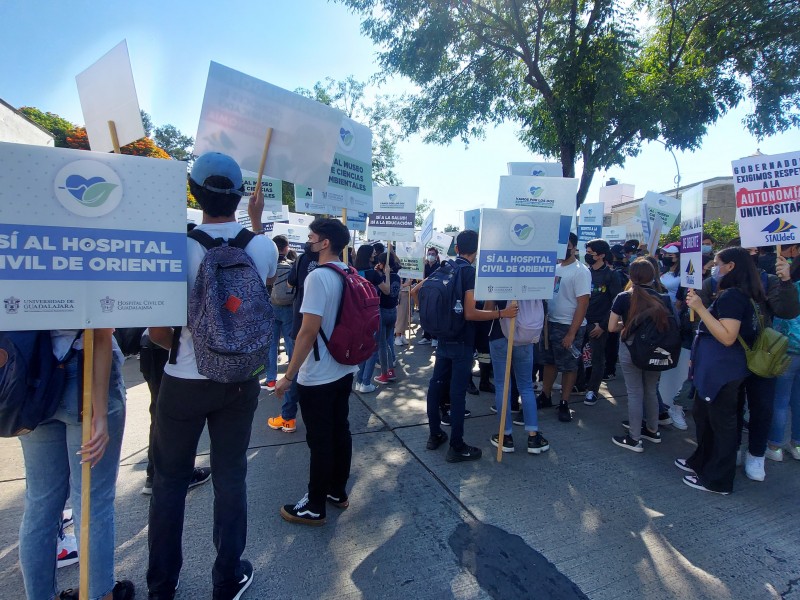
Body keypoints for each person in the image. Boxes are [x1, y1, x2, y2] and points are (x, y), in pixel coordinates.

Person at [146, 152, 277, 600]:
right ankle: (226, 578)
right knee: (231, 476)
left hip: (183, 380)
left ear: (193, 192)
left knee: (168, 482)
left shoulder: (174, 247)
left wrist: (192, 347)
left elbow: (158, 332)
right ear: (241, 195)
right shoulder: (264, 247)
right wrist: (255, 223)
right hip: (239, 381)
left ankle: (162, 584)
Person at [19, 329, 133, 600]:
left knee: (41, 504)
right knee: (93, 503)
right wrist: (101, 413)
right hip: (86, 371)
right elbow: (101, 332)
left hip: (33, 374)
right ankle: (99, 595)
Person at [274, 218, 359, 525]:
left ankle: (314, 505)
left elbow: (307, 333)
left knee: (320, 440)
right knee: (340, 431)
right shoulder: (349, 272)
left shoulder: (318, 277)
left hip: (319, 374)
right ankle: (337, 491)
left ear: (325, 243)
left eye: (311, 238)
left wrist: (288, 376)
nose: (307, 243)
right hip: (344, 367)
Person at [696, 240, 797, 480]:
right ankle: (731, 453)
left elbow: (787, 310)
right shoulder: (716, 283)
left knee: (762, 407)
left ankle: (756, 455)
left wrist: (786, 281)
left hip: (763, 355)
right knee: (732, 411)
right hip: (731, 359)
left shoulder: (769, 280)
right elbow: (706, 316)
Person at [425, 230, 518, 462]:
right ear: (477, 251)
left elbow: (418, 292)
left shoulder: (444, 267)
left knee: (436, 385)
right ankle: (457, 445)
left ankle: (434, 434)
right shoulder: (468, 272)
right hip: (461, 340)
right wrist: (501, 313)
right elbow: (470, 313)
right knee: (457, 393)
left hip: (443, 336)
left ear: (456, 248)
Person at [679, 246, 762, 494]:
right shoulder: (736, 294)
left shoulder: (733, 297)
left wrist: (701, 308)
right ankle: (701, 462)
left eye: (717, 263)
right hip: (718, 370)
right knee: (705, 417)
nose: (714, 267)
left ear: (731, 266)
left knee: (721, 424)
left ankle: (718, 480)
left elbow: (727, 337)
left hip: (723, 371)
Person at [607, 259, 673, 452]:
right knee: (651, 389)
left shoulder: (624, 297)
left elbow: (612, 327)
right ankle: (653, 430)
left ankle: (634, 438)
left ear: (631, 275)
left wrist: (627, 326)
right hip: (656, 350)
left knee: (635, 392)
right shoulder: (663, 297)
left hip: (630, 349)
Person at [140, 329, 212, 493]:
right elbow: (158, 333)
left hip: (158, 349)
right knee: (166, 419)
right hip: (170, 353)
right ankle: (162, 474)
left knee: (159, 415)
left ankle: (157, 473)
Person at [536, 233, 591, 423]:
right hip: (550, 324)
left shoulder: (580, 271)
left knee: (569, 367)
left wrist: (572, 333)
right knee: (549, 362)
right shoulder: (555, 268)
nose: (563, 248)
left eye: (566, 245)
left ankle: (565, 402)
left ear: (574, 247)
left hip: (569, 326)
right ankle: (546, 395)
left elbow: (583, 304)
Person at [485, 300, 549, 455]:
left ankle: (505, 436)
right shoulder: (531, 278)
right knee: (526, 386)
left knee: (502, 385)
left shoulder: (499, 278)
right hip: (524, 337)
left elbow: (487, 310)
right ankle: (533, 437)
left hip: (499, 335)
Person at [580, 238, 622, 406]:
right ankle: (580, 384)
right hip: (580, 321)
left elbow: (616, 303)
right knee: (576, 356)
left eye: (591, 253)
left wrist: (603, 326)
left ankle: (592, 390)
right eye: (587, 252)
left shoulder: (611, 275)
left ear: (602, 255)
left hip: (598, 324)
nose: (587, 256)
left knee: (597, 359)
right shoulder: (583, 272)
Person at [266, 235, 300, 434]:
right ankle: (290, 371)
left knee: (271, 344)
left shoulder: (269, 265)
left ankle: (271, 379)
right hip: (288, 309)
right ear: (286, 248)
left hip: (271, 307)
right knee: (291, 345)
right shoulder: (292, 265)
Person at [365, 251, 401, 385]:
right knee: (387, 342)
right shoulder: (397, 276)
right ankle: (390, 371)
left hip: (382, 312)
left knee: (381, 345)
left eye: (379, 262)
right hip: (393, 312)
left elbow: (384, 291)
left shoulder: (383, 278)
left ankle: (384, 374)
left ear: (382, 264)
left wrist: (381, 274)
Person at [418, 247, 441, 346]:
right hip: (424, 292)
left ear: (436, 256)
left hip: (435, 293)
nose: (430, 255)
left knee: (434, 315)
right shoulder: (424, 266)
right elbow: (419, 279)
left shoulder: (439, 267)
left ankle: (435, 338)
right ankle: (426, 336)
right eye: (429, 253)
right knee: (425, 314)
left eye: (433, 254)